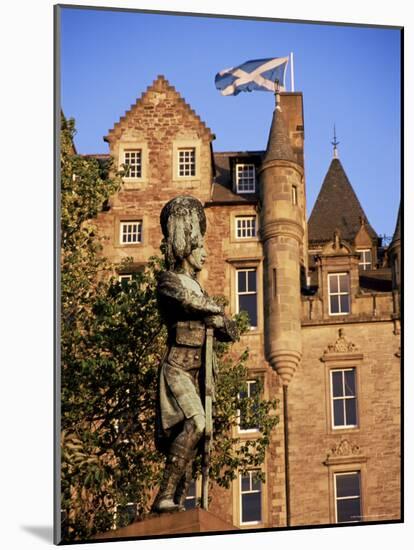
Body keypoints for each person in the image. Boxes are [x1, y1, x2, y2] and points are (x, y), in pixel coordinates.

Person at [153, 195, 238, 513]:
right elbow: (188, 303)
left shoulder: (200, 289)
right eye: (200, 245)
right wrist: (213, 311)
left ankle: (172, 503)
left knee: (197, 442)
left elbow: (230, 331)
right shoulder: (170, 281)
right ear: (187, 244)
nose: (206, 251)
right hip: (178, 367)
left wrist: (219, 319)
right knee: (196, 423)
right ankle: (164, 494)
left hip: (201, 373)